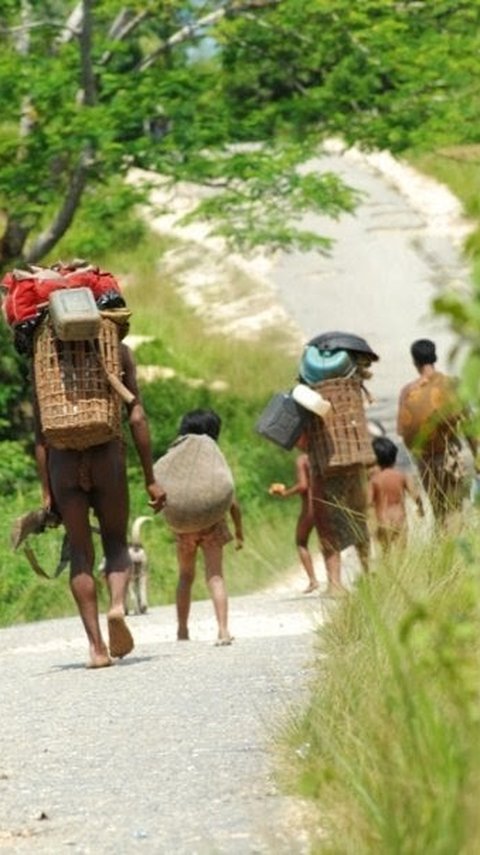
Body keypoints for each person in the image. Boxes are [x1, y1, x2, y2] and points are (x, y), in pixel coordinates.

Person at [33, 341, 166, 669]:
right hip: (107, 455)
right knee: (116, 542)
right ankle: (118, 605)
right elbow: (136, 416)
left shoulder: (43, 357)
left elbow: (40, 436)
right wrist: (151, 476)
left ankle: (96, 648)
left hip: (63, 463)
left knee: (80, 554)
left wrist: (47, 491)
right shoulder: (116, 351)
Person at [173, 409, 243, 646]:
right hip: (212, 524)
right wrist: (239, 530)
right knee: (215, 576)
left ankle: (182, 631)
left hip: (183, 527)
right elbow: (230, 497)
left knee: (185, 576)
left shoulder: (176, 454)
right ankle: (223, 630)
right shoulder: (214, 456)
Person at [397, 338, 478, 521]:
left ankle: (442, 546)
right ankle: (455, 548)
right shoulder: (451, 384)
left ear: (414, 362)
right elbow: (469, 427)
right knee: (456, 511)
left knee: (439, 512)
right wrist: (476, 457)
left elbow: (404, 431)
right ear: (435, 357)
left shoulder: (407, 391)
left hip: (425, 461)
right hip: (451, 458)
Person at [269, 433, 320, 593]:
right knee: (328, 540)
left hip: (310, 506)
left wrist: (286, 493)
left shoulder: (302, 459)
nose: (296, 443)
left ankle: (313, 580)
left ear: (304, 438)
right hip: (326, 502)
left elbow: (304, 486)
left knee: (301, 542)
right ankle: (334, 580)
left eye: (298, 439)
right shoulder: (321, 455)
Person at [369, 436, 424, 550]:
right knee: (401, 555)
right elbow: (416, 495)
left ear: (375, 459)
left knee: (385, 556)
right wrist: (420, 508)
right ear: (395, 457)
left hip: (382, 522)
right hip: (400, 521)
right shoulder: (401, 476)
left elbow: (368, 503)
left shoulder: (374, 480)